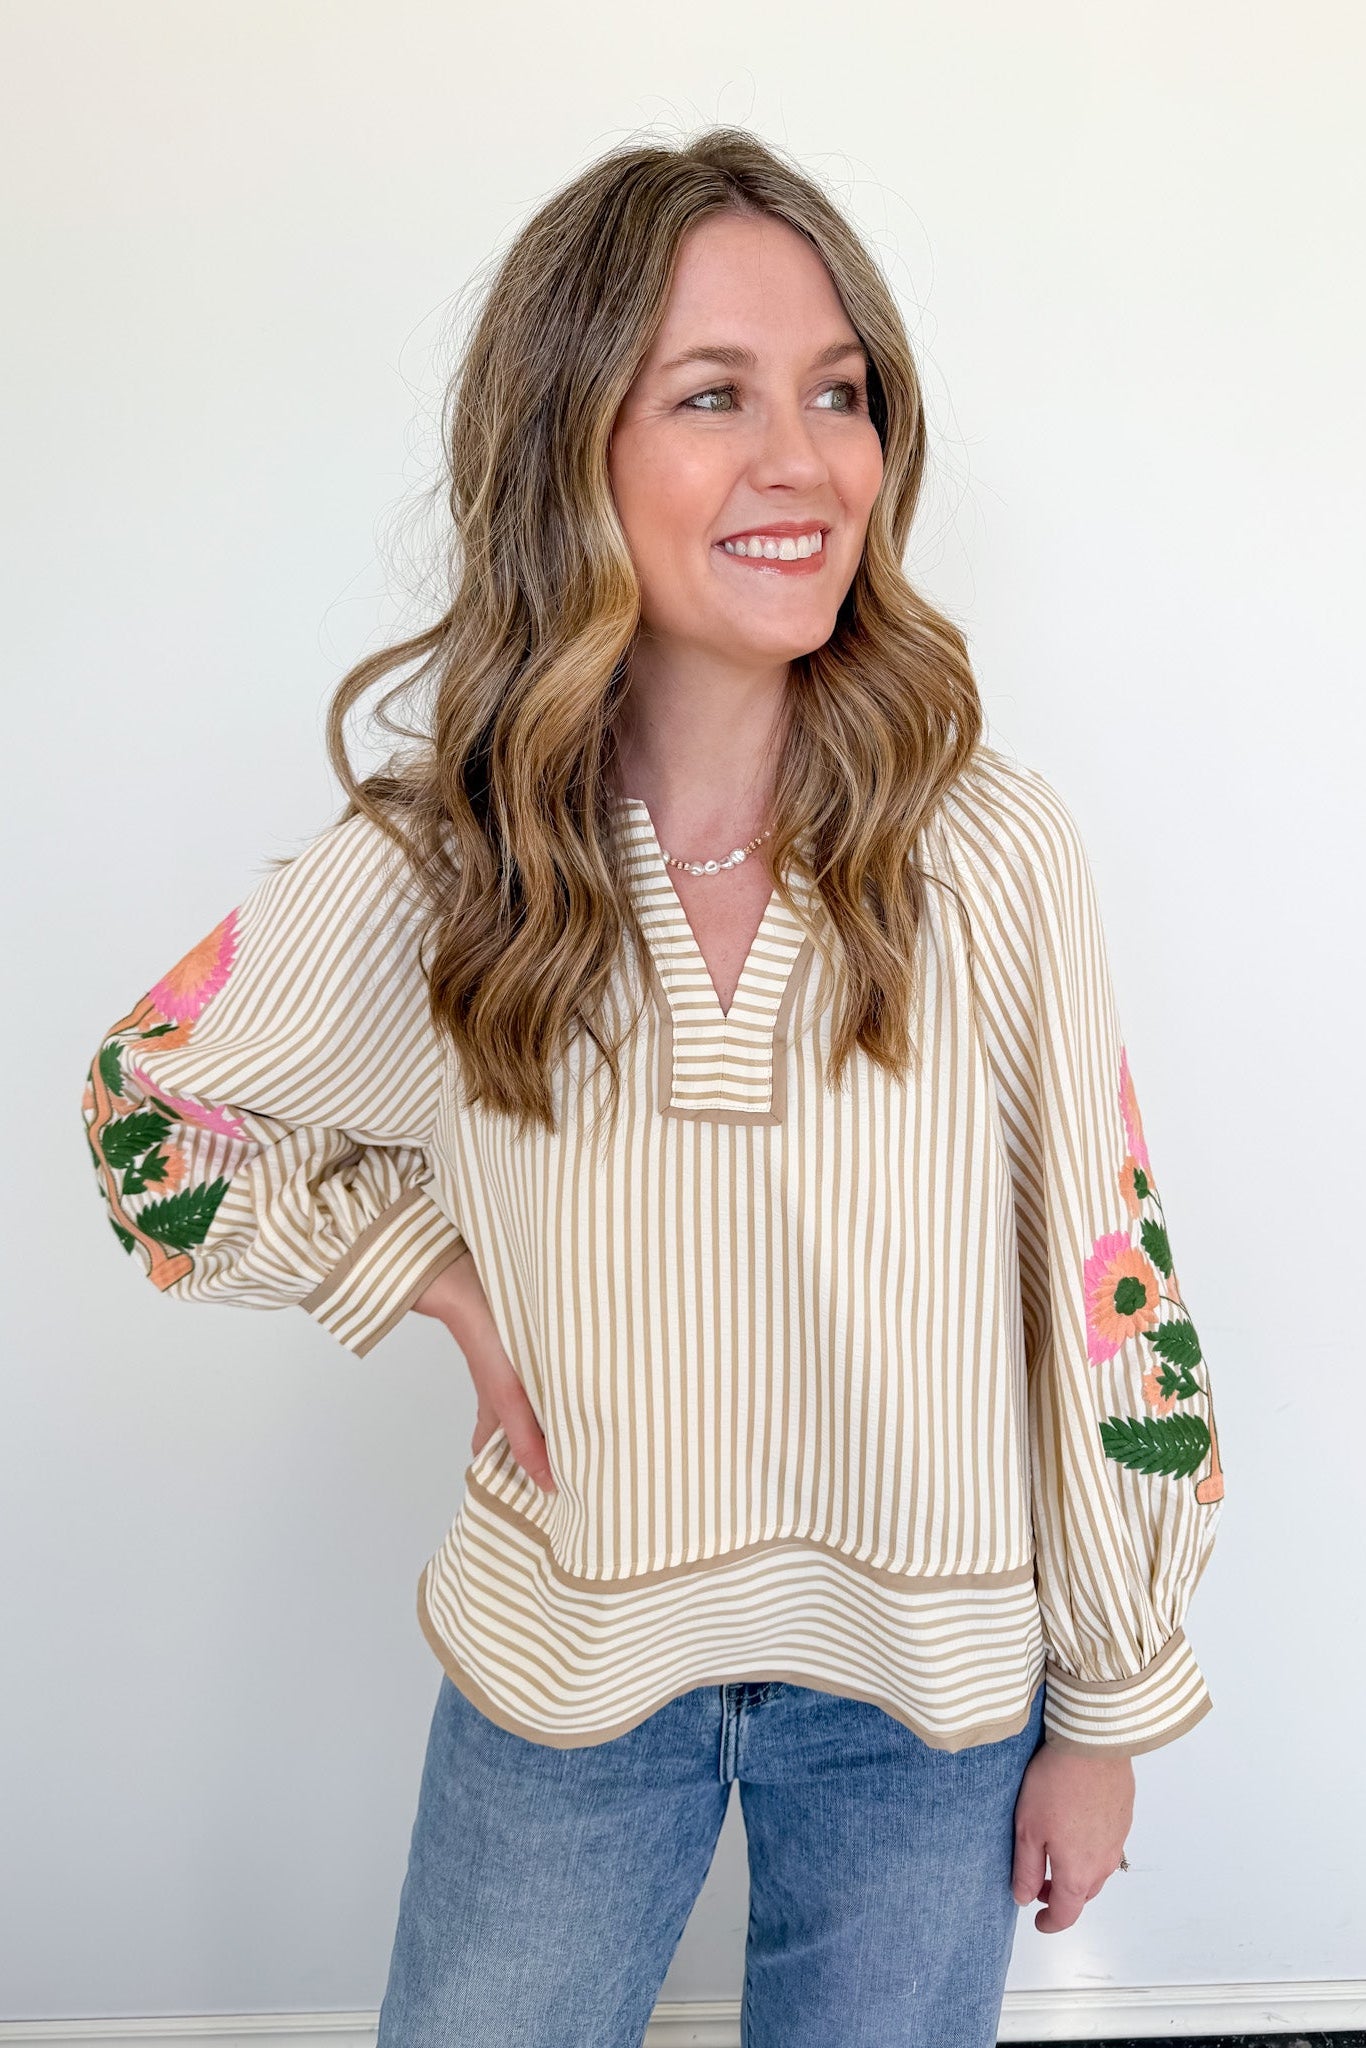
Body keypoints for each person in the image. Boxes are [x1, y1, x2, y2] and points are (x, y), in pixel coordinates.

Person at [80, 126, 1225, 2048]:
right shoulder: (450, 861)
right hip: (569, 1659)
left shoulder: (992, 849)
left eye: (839, 394)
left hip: (927, 1697)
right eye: (714, 395)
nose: (804, 461)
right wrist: (421, 1275)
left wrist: (1107, 1709)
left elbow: (1110, 1294)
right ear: (568, 450)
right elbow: (149, 1108)